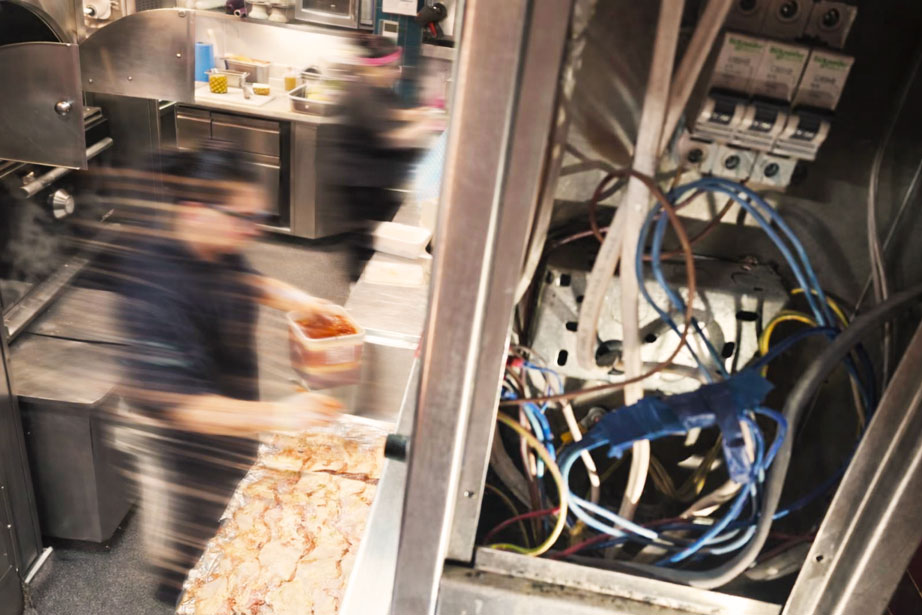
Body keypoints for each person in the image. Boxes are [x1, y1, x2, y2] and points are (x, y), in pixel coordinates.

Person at [111, 143, 342, 605]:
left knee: (235, 511)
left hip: (230, 418)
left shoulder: (216, 246)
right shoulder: (155, 288)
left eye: (256, 218)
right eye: (242, 218)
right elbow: (184, 406)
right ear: (196, 210)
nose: (252, 231)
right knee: (194, 546)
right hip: (179, 440)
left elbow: (244, 280)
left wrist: (297, 299)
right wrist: (282, 413)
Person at [320, 34, 437, 280]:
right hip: (359, 187)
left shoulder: (374, 87)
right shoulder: (361, 94)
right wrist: (426, 124)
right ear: (374, 69)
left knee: (375, 238)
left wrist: (413, 114)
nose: (397, 72)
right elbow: (393, 138)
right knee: (364, 245)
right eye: (392, 67)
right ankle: (360, 284)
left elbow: (388, 112)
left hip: (373, 182)